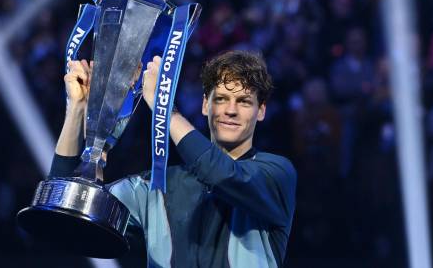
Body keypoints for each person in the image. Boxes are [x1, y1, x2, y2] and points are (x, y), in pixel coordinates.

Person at [50, 51, 297, 267]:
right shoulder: (155, 188)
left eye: (244, 101)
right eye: (220, 99)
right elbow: (67, 216)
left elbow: (220, 173)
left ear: (261, 111)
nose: (230, 110)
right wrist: (77, 109)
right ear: (204, 105)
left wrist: (163, 107)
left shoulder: (275, 173)